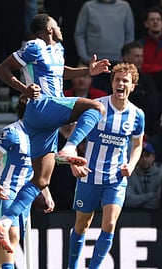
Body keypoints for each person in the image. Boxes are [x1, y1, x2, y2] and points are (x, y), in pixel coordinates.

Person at [0, 13, 110, 253]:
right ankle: (70, 147)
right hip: (44, 104)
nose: (60, 26)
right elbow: (2, 69)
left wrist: (88, 71)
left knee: (42, 179)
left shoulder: (58, 49)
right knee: (96, 107)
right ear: (48, 28)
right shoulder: (34, 46)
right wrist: (24, 88)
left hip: (46, 119)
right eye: (56, 24)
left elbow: (61, 72)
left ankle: (4, 221)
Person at [67, 62, 144, 269]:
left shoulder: (137, 115)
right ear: (112, 83)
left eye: (125, 81)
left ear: (132, 86)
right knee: (82, 224)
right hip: (89, 175)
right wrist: (73, 160)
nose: (121, 84)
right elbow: (75, 136)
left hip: (115, 179)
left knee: (109, 224)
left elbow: (137, 145)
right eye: (117, 80)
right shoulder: (96, 106)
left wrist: (132, 164)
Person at [0, 95, 54, 269]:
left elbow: (38, 170)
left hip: (25, 196)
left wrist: (46, 193)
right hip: (6, 191)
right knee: (11, 236)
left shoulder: (41, 136)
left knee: (7, 243)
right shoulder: (12, 133)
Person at [74, 0, 135, 92]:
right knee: (95, 96)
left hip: (118, 62)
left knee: (117, 94)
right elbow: (79, 34)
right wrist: (84, 57)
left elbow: (129, 35)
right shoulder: (88, 7)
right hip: (94, 63)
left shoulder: (124, 7)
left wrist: (125, 57)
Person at [124, 141, 162, 210]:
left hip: (157, 215)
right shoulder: (130, 173)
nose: (144, 159)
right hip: (133, 215)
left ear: (153, 157)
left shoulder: (161, 173)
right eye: (141, 156)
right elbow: (128, 201)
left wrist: (138, 201)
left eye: (147, 155)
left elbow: (159, 201)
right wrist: (151, 196)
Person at [138, 6, 162, 78]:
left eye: (158, 19)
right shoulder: (139, 45)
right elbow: (141, 66)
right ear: (146, 24)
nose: (155, 22)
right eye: (152, 19)